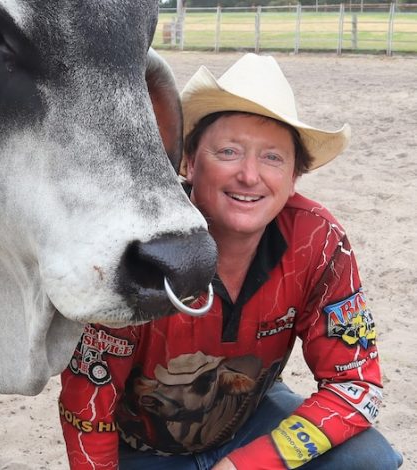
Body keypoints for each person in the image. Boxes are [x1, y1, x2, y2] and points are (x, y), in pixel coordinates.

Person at [58, 53, 402, 470]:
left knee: (369, 459)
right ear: (188, 161)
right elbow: (89, 392)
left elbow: (356, 385)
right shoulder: (143, 245)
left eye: (273, 157)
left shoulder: (319, 242)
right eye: (228, 151)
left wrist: (253, 463)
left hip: (247, 427)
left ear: (295, 176)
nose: (250, 175)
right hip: (143, 448)